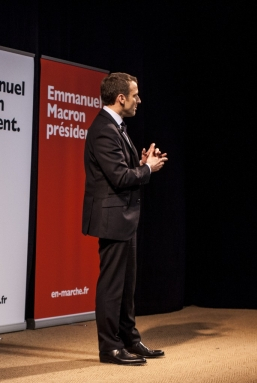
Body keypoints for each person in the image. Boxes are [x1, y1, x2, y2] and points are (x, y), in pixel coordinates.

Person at [82, 72, 167, 366]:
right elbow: (118, 177)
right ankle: (109, 347)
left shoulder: (116, 126)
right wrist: (148, 170)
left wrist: (141, 163)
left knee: (127, 283)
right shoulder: (104, 128)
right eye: (135, 95)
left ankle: (129, 339)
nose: (139, 100)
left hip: (123, 216)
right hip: (112, 217)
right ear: (121, 98)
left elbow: (120, 168)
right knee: (112, 285)